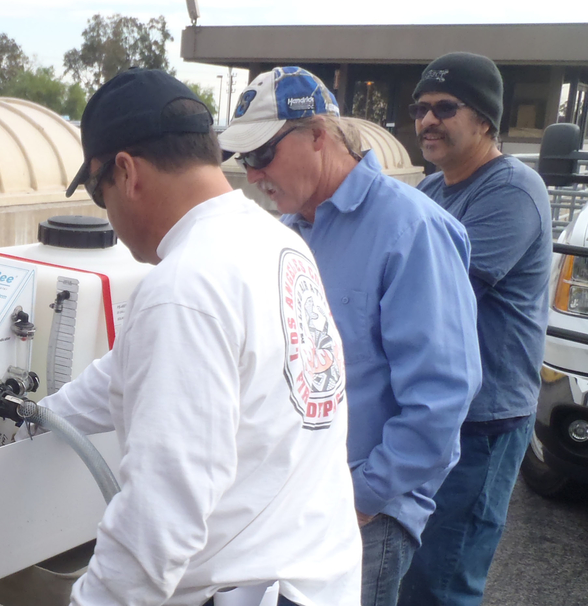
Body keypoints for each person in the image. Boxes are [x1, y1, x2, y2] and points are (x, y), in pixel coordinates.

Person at [42, 67, 362, 606]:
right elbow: (120, 375)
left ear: (126, 172)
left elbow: (162, 508)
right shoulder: (275, 242)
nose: (111, 218)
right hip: (316, 577)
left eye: (100, 195)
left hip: (244, 590)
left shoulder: (184, 286)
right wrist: (36, 417)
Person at [220, 67, 482, 606]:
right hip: (290, 504)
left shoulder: (411, 229)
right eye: (245, 160)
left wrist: (358, 498)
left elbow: (442, 397)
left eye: (262, 155)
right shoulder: (289, 231)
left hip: (362, 516)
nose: (252, 175)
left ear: (319, 135)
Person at [398, 53, 552, 606]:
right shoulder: (434, 190)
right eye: (420, 108)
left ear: (486, 119)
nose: (427, 120)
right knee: (407, 572)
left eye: (445, 107)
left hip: (484, 423)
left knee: (444, 582)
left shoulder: (511, 192)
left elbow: (432, 296)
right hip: (435, 412)